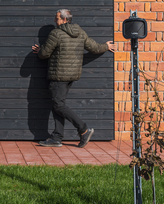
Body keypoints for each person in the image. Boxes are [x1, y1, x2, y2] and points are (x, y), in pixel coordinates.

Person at [31, 9, 116, 148]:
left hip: (59, 75)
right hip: (72, 75)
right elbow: (93, 47)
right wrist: (106, 46)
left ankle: (83, 129)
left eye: (57, 18)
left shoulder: (56, 33)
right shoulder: (80, 32)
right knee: (58, 104)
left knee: (58, 105)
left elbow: (44, 54)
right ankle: (57, 137)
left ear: (64, 20)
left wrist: (40, 51)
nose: (55, 21)